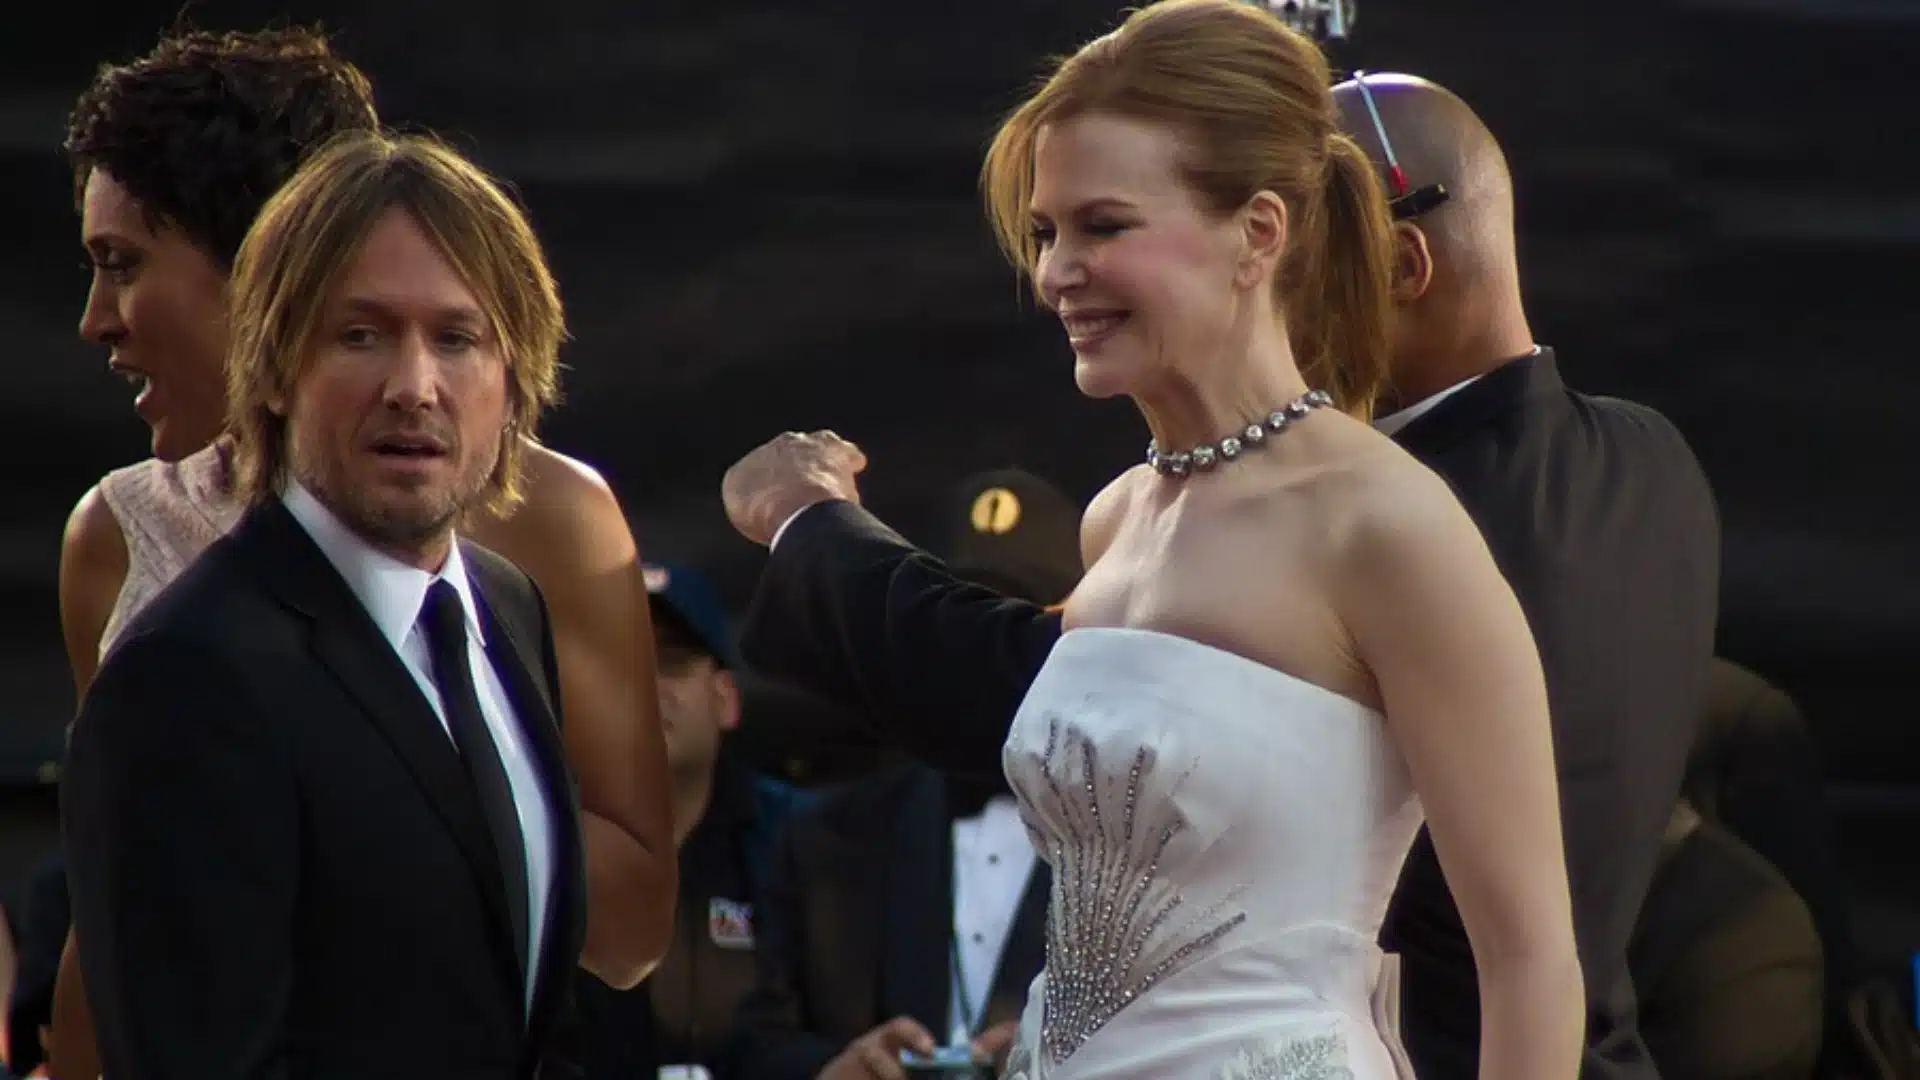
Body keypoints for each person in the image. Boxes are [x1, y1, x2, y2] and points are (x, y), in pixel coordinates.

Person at [726, 44, 1720, 1080]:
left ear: (1257, 234)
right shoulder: (1115, 521)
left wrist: (814, 530)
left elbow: (1530, 961)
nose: (1058, 271)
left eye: (1104, 225)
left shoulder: (1384, 524)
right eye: (1044, 232)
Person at [52, 27, 675, 1077]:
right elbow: (133, 950)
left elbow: (582, 938)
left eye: (123, 263)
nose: (95, 320)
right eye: (360, 333)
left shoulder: (508, 586)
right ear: (281, 338)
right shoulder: (155, 614)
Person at [730, 470, 1076, 1080]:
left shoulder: (1140, 832)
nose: (981, 657)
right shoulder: (828, 837)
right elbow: (756, 1047)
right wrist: (839, 1069)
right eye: (961, 626)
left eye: (1013, 632)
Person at [561, 562, 814, 1079]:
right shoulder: (540, 840)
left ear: (726, 700)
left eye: (670, 662)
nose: (643, 686)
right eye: (621, 661)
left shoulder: (806, 840)